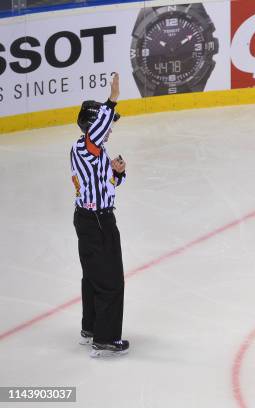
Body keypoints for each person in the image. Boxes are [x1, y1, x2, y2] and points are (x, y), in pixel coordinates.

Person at [71, 73, 130, 357]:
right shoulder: (85, 146)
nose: (110, 130)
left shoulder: (96, 152)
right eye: (107, 124)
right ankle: (105, 338)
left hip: (92, 219)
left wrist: (119, 174)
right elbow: (98, 129)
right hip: (97, 222)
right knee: (110, 280)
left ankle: (91, 327)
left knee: (93, 276)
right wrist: (113, 98)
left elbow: (106, 185)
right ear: (92, 126)